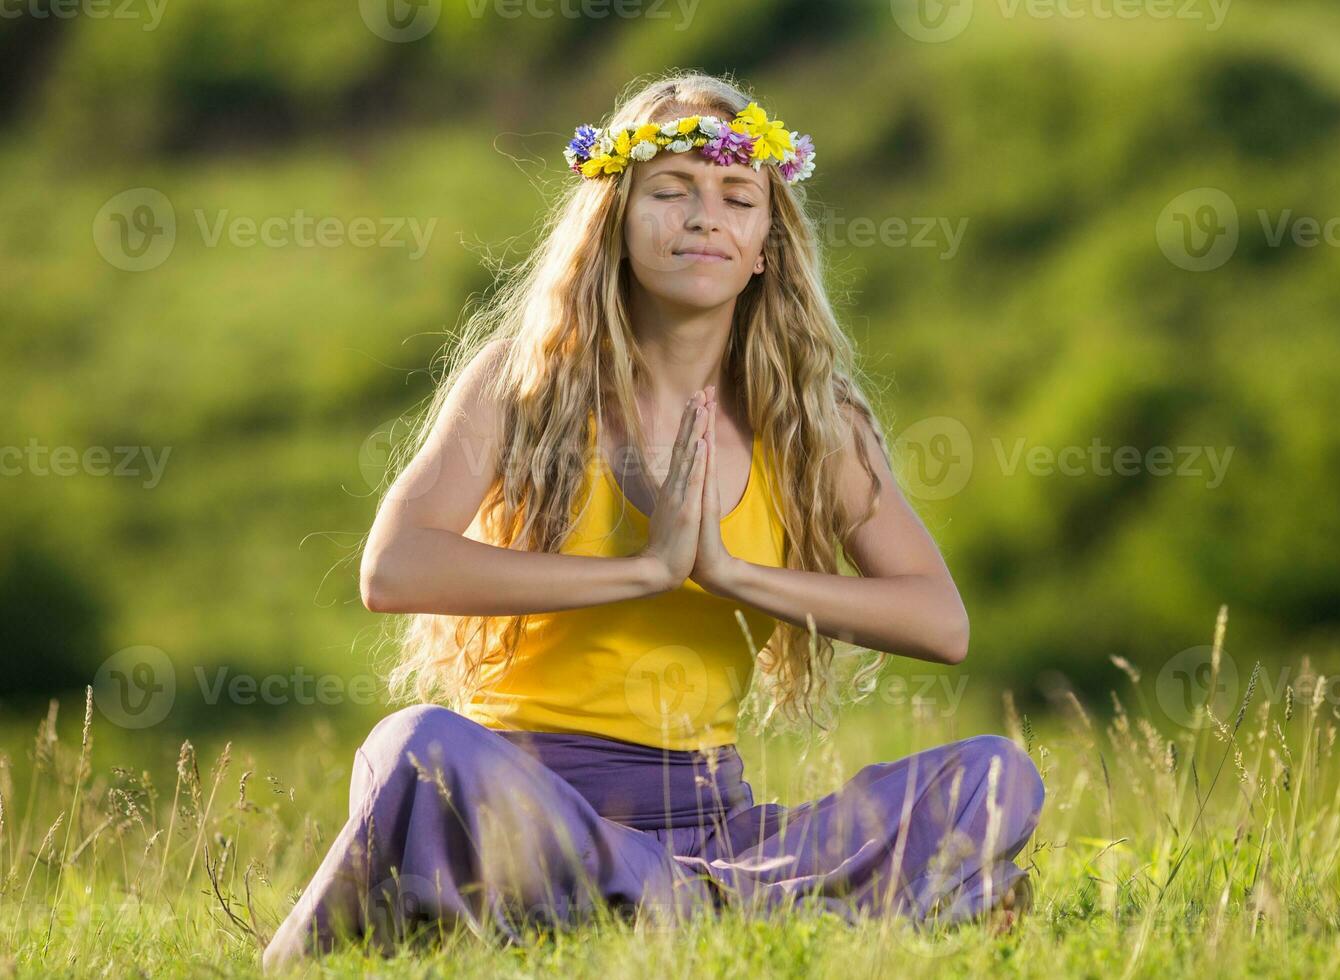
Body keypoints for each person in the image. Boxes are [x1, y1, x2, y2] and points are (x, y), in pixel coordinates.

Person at [262, 70, 1043, 970]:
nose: (704, 216)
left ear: (764, 248)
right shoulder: (523, 382)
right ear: (615, 227)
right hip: (530, 799)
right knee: (415, 749)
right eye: (671, 192)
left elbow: (941, 623)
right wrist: (639, 571)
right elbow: (392, 570)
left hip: (718, 824)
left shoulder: (814, 420)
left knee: (991, 776)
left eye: (736, 197)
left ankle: (681, 903)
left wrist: (729, 572)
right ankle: (756, 914)